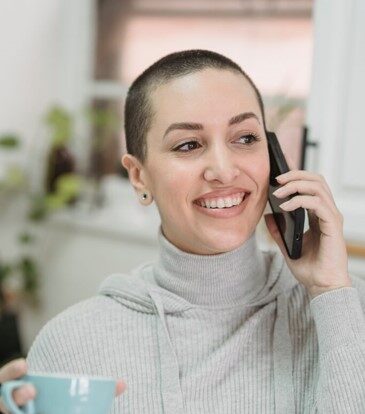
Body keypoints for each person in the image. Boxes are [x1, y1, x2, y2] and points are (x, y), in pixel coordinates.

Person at [1, 49, 365, 414]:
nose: (223, 171)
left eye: (245, 138)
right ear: (139, 176)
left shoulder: (347, 310)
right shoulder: (72, 344)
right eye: (188, 145)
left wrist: (331, 291)